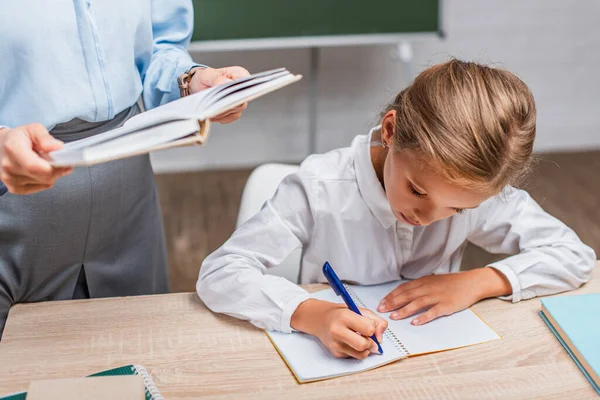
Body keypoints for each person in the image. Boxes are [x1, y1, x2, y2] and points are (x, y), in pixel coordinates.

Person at [196, 59, 596, 360]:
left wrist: (478, 282)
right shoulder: (320, 187)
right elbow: (221, 272)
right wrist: (310, 313)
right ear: (390, 131)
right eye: (417, 190)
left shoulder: (474, 191)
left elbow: (575, 257)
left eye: (455, 210)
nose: (428, 216)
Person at [0, 0, 249, 339]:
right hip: (13, 208)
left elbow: (159, 47)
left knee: (139, 356)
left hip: (128, 204)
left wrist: (189, 81)